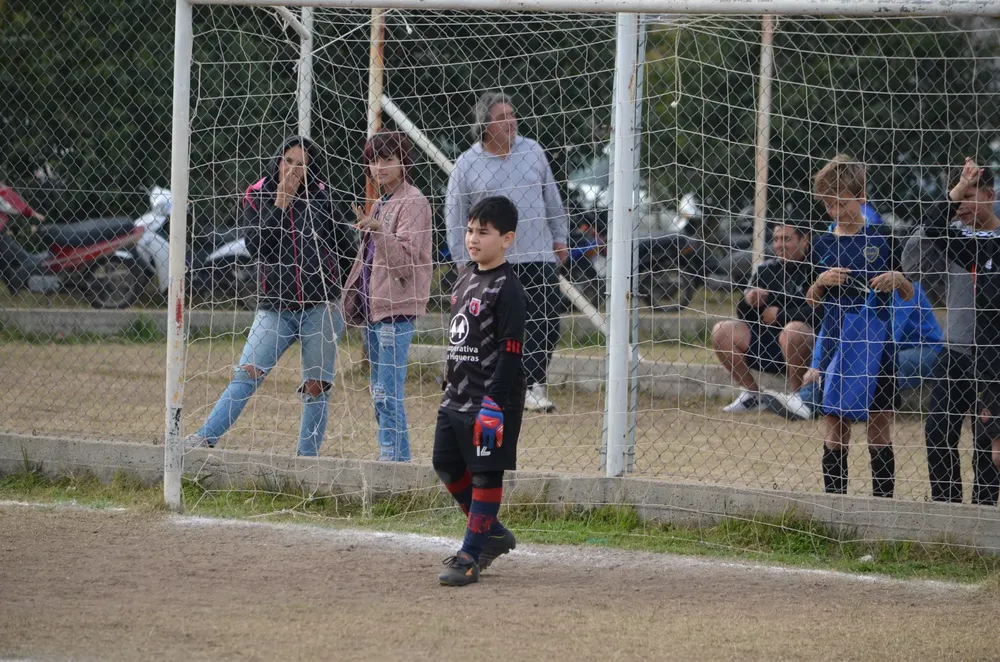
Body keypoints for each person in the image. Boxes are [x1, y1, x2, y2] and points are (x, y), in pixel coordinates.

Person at [185, 136, 356, 456]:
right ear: (278, 162)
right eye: (288, 161)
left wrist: (340, 296)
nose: (293, 169)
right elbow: (255, 246)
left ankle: (307, 459)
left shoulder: (322, 198)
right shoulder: (258, 195)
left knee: (316, 387)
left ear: (311, 170)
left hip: (320, 308)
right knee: (247, 373)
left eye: (302, 164)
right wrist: (281, 202)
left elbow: (346, 250)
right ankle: (204, 439)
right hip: (275, 308)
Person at [445, 91, 568, 413]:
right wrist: (462, 258)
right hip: (493, 263)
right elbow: (455, 214)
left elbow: (551, 199)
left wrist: (560, 237)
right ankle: (493, 385)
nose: (511, 121)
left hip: (538, 255)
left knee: (546, 322)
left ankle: (534, 385)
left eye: (512, 115)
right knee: (494, 328)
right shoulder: (467, 163)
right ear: (485, 124)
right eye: (501, 117)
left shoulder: (534, 151)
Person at [805, 154, 915, 498]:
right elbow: (810, 300)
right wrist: (821, 282)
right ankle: (835, 507)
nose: (834, 211)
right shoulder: (821, 243)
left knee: (879, 429)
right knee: (836, 428)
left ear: (861, 198)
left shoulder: (884, 237)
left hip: (878, 345)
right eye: (828, 205)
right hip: (837, 345)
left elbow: (910, 292)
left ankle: (882, 508)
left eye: (841, 203)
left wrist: (898, 279)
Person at [434, 196, 525, 587]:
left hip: (491, 403)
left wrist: (494, 403)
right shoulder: (465, 275)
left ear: (506, 239)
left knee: (486, 475)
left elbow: (510, 352)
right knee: (446, 464)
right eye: (470, 230)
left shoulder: (509, 288)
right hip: (456, 397)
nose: (473, 239)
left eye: (483, 233)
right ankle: (492, 531)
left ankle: (470, 555)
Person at [904, 164, 1000, 504]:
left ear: (991, 196)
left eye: (970, 197)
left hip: (994, 356)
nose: (962, 207)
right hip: (956, 349)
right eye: (958, 199)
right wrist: (953, 197)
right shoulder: (953, 237)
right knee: (938, 432)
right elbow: (911, 263)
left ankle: (984, 512)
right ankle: (947, 510)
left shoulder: (993, 243)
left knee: (987, 440)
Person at [343, 131, 433, 463]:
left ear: (403, 162)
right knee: (378, 394)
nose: (378, 167)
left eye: (386, 159)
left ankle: (396, 466)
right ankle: (392, 460)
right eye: (372, 160)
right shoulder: (382, 204)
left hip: (396, 313)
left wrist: (379, 232)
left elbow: (406, 264)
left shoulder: (413, 202)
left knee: (388, 395)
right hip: (374, 311)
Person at [712, 221, 817, 421]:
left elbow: (820, 312)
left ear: (804, 240)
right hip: (768, 343)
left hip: (805, 345)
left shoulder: (817, 268)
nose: (779, 245)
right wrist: (749, 301)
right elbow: (745, 316)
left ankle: (798, 398)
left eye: (786, 239)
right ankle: (752, 395)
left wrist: (780, 314)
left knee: (793, 329)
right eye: (776, 239)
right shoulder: (765, 269)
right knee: (722, 330)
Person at [799, 281, 943, 410]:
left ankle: (808, 402)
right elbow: (830, 326)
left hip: (925, 350)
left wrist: (848, 358)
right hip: (884, 347)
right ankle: (808, 400)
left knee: (878, 363)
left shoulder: (902, 284)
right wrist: (817, 365)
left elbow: (890, 334)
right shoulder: (854, 283)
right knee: (849, 362)